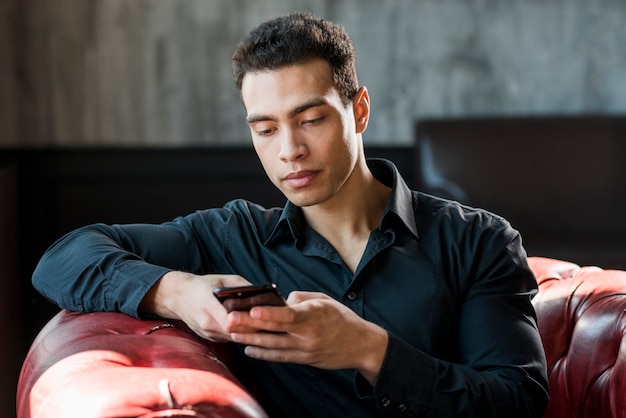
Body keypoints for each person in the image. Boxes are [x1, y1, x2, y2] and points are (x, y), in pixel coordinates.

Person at [33, 12, 549, 417]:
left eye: (310, 119)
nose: (290, 151)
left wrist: (370, 350)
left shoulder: (478, 240)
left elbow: (517, 400)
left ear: (359, 110)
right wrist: (178, 292)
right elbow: (62, 259)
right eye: (266, 129)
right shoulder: (233, 236)